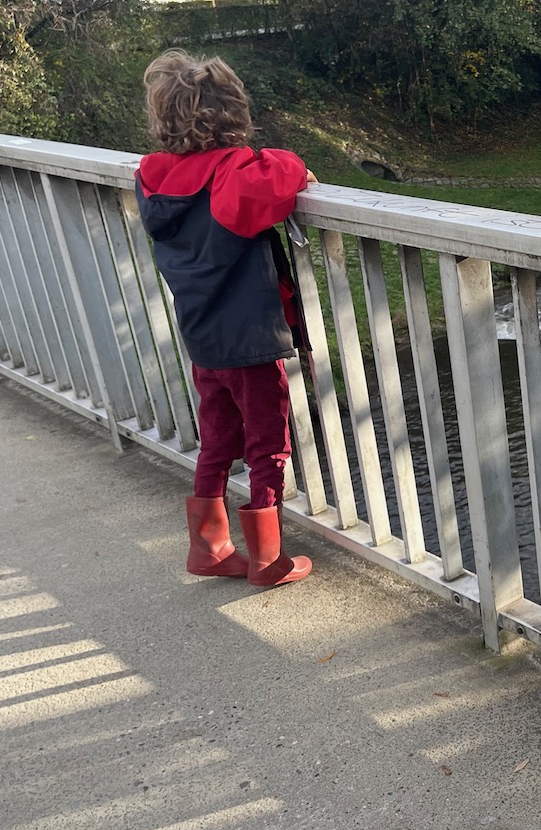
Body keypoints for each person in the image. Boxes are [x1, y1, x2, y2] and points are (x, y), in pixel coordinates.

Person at [136, 49, 315, 587]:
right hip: (249, 338)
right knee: (268, 442)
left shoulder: (154, 177)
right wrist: (291, 163)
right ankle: (267, 559)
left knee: (216, 435)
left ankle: (208, 548)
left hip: (202, 337)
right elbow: (286, 173)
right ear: (233, 112)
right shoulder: (233, 175)